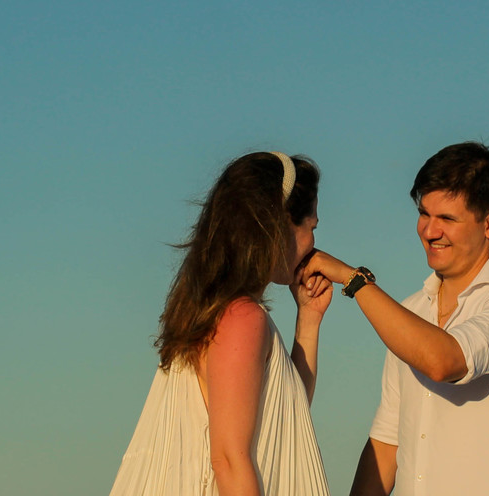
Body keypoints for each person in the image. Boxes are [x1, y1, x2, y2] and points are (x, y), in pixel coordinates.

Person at [299, 142, 489, 495]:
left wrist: (351, 278)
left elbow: (443, 361)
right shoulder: (410, 311)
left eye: (447, 219)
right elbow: (387, 440)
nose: (430, 231)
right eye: (424, 214)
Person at [110, 151, 333, 496]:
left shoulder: (225, 314)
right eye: (311, 226)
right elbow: (229, 460)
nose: (312, 243)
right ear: (280, 224)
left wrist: (309, 319)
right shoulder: (241, 317)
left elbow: (284, 421)